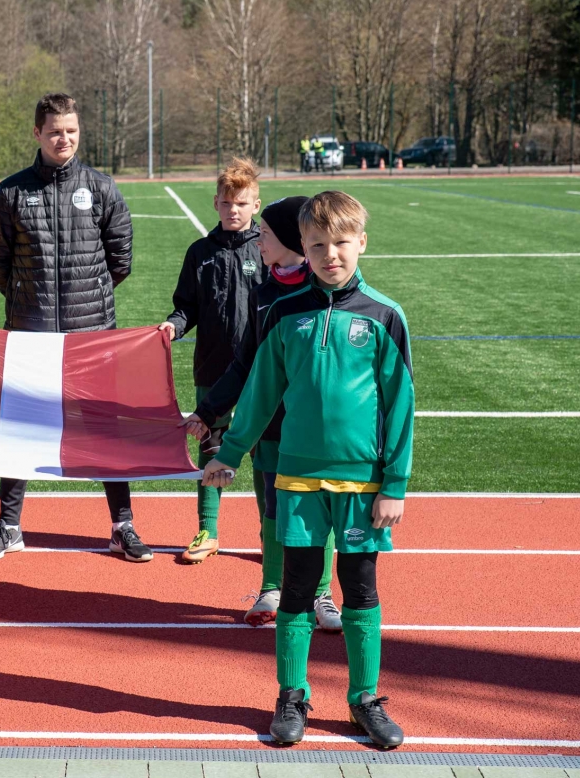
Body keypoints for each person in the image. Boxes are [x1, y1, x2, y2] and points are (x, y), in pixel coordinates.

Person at [201, 191, 414, 748]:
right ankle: (291, 696)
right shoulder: (282, 313)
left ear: (362, 242)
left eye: (342, 243)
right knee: (296, 588)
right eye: (317, 245)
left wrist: (394, 484)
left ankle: (364, 698)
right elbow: (260, 393)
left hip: (363, 482)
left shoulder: (386, 317)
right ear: (304, 249)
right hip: (295, 478)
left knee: (359, 589)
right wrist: (230, 451)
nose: (331, 255)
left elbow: (400, 409)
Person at [0, 92, 150, 563]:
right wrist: (27, 302)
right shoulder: (12, 192)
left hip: (90, 335)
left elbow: (121, 260)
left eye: (71, 130)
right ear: (37, 133)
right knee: (18, 428)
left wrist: (85, 303)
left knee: (103, 431)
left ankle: (122, 527)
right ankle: (9, 527)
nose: (64, 139)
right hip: (30, 335)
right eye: (55, 131)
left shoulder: (100, 187)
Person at [181, 196, 341, 631]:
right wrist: (207, 411)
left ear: (290, 240)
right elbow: (244, 364)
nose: (259, 240)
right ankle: (272, 587)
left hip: (312, 428)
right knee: (274, 507)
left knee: (316, 510)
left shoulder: (324, 292)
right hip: (270, 425)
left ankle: (322, 593)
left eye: (266, 233)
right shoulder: (264, 293)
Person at [158, 157, 264, 564]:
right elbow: (186, 308)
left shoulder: (265, 250)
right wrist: (173, 326)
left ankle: (269, 533)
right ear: (215, 204)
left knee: (264, 452)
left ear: (255, 205)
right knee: (211, 447)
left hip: (260, 373)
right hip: (212, 371)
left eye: (242, 203)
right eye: (227, 202)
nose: (234, 210)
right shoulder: (200, 253)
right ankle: (208, 529)